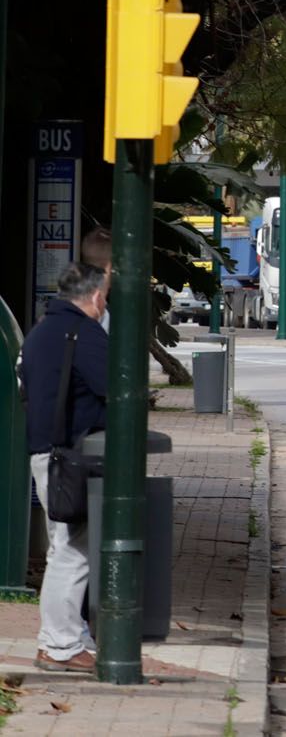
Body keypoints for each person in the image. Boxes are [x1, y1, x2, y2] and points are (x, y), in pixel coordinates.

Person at [20, 261, 110, 673]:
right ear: (94, 296)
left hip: (45, 453)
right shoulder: (83, 331)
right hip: (71, 455)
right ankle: (60, 645)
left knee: (63, 546)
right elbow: (114, 384)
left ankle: (64, 637)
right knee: (73, 550)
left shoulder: (41, 331)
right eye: (105, 295)